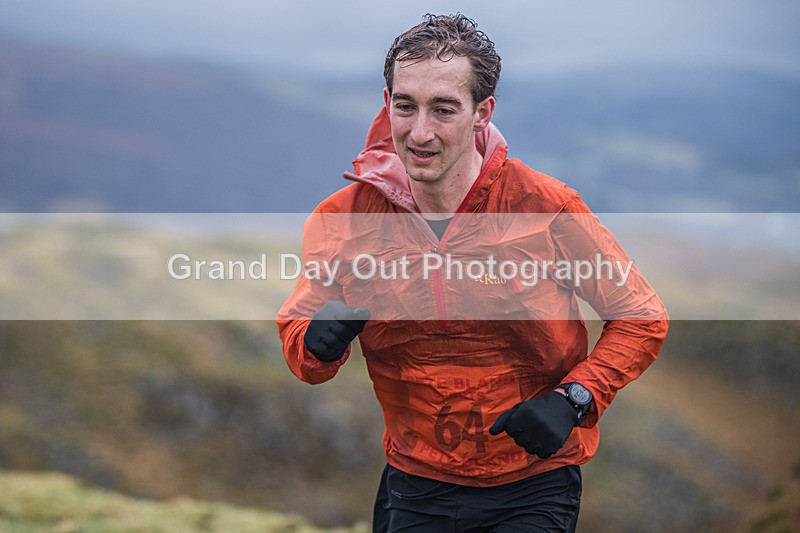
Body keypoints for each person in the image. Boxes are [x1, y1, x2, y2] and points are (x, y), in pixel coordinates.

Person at [278, 13, 668, 532]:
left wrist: (575, 398)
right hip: (414, 484)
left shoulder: (546, 207)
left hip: (533, 482)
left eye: (443, 110)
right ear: (387, 102)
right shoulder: (343, 220)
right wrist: (316, 343)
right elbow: (302, 351)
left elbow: (641, 316)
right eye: (405, 106)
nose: (420, 131)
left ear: (483, 112)